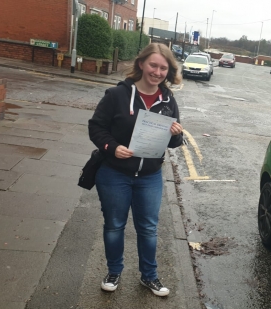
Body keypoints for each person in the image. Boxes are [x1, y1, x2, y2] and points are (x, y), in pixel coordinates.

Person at [88, 43, 184, 296]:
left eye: (164, 68)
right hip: (114, 174)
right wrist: (112, 147)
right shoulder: (117, 95)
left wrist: (177, 134)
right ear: (141, 64)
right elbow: (96, 127)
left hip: (150, 177)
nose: (158, 71)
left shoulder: (168, 99)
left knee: (149, 228)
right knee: (114, 225)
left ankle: (149, 276)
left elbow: (172, 143)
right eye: (153, 65)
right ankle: (114, 272)